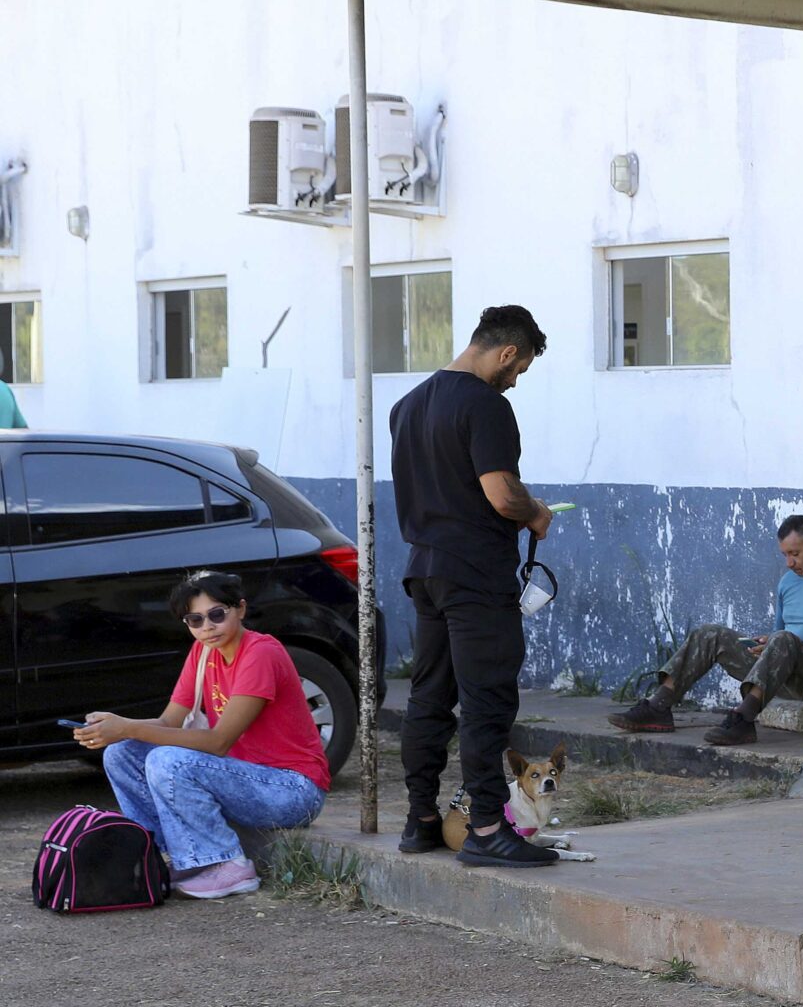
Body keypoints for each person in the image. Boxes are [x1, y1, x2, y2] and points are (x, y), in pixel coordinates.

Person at [389, 304, 557, 869]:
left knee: (429, 697)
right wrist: (534, 512)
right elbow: (501, 496)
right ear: (507, 352)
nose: (514, 382)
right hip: (475, 574)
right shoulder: (487, 406)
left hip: (425, 569)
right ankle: (487, 827)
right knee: (486, 701)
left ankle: (421, 820)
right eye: (519, 370)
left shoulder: (407, 406)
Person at [75, 570, 329, 899]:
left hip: (293, 790)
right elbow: (168, 723)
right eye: (195, 620)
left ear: (240, 609)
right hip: (242, 779)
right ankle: (161, 856)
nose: (207, 627)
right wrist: (117, 725)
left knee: (169, 760)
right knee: (121, 751)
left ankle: (226, 865)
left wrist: (126, 727)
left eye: (216, 615)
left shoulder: (261, 653)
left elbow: (218, 741)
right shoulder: (203, 653)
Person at [607, 515, 803, 746]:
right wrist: (764, 644)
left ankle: (743, 719)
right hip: (783, 672)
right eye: (784, 554)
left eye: (795, 553)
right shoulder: (787, 582)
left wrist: (788, 642)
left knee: (784, 639)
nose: (789, 562)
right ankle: (658, 707)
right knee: (710, 634)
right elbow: (779, 633)